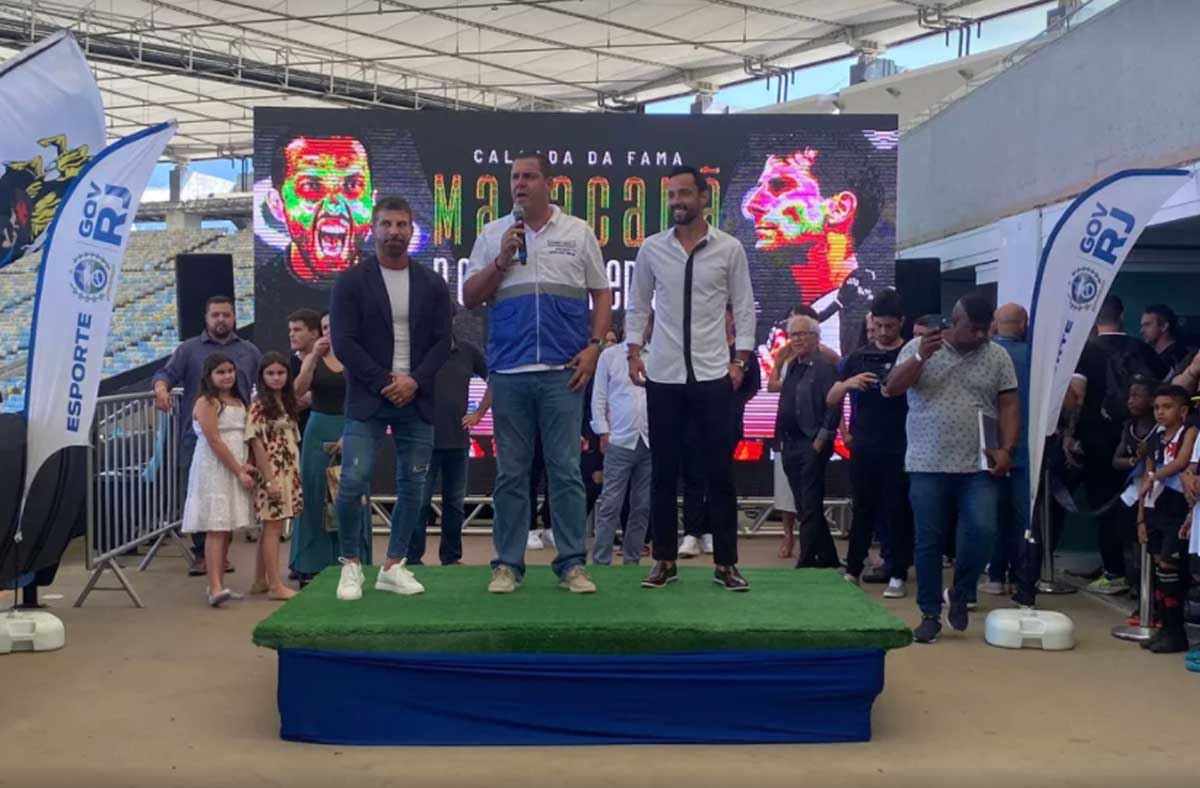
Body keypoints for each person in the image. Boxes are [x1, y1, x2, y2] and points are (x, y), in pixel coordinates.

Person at [463, 151, 612, 595]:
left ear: (549, 184)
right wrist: (500, 261)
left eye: (529, 176)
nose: (520, 184)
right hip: (509, 370)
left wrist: (594, 348)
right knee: (511, 472)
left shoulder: (578, 232)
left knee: (566, 470)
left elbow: (601, 294)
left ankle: (571, 565)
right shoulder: (494, 234)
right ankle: (507, 565)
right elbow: (470, 296)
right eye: (514, 178)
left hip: (563, 371)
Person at [627, 165, 756, 592]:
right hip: (663, 375)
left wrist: (740, 361)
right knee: (664, 471)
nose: (677, 202)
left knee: (719, 472)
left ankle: (726, 563)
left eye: (685, 194)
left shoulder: (730, 249)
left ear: (704, 198)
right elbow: (638, 304)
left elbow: (744, 305)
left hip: (713, 374)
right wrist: (632, 351)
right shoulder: (651, 249)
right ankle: (663, 559)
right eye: (671, 195)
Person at [329, 195, 452, 601]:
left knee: (414, 486)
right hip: (369, 398)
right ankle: (350, 564)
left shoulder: (432, 283)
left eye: (401, 225)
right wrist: (386, 380)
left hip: (417, 399)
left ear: (411, 231)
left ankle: (394, 565)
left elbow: (441, 342)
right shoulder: (351, 281)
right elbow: (343, 343)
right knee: (353, 482)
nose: (394, 232)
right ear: (373, 230)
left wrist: (414, 381)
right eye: (386, 224)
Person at [885, 294, 1019, 644]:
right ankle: (930, 613)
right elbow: (892, 388)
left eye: (984, 329)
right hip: (927, 462)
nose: (980, 335)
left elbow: (1009, 404)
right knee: (928, 539)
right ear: (953, 323)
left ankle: (960, 592)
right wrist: (920, 357)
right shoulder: (919, 346)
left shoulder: (997, 355)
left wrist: (1007, 448)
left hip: (979, 462)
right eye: (972, 329)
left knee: (984, 530)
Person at [1066, 295, 1168, 594]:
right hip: (1144, 438)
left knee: (1104, 503)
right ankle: (1129, 571)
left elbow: (1077, 396)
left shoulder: (1086, 352)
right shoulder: (1143, 350)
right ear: (1122, 315)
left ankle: (1114, 570)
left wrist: (1071, 436)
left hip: (1098, 439)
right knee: (1139, 507)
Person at [153, 295, 262, 575]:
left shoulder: (250, 351)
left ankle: (220, 553)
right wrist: (161, 389)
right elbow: (165, 374)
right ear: (207, 318)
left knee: (231, 497)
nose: (221, 320)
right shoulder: (188, 349)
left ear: (234, 317)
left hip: (239, 436)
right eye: (215, 315)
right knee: (203, 496)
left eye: (226, 314)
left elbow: (264, 384)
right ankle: (202, 553)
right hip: (198, 437)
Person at [826, 289, 912, 598]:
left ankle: (897, 572)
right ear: (872, 322)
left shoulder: (910, 355)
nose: (885, 332)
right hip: (864, 444)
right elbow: (831, 398)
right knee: (862, 507)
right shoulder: (857, 358)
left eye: (891, 326)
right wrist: (848, 385)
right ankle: (853, 570)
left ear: (901, 322)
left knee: (897, 509)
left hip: (902, 443)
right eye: (880, 325)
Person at [680, 303, 761, 557]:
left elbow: (752, 387)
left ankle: (712, 531)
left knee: (719, 477)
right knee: (694, 477)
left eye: (728, 320)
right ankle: (692, 533)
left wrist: (731, 398)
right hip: (695, 422)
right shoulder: (701, 349)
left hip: (728, 422)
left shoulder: (744, 353)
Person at [405, 325, 490, 566]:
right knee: (419, 503)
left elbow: (493, 378)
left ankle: (451, 558)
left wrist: (479, 413)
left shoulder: (468, 352)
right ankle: (411, 559)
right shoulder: (416, 351)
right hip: (422, 439)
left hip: (457, 440)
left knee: (454, 503)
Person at [292, 311, 366, 585]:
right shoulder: (313, 359)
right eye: (323, 328)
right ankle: (311, 564)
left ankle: (355, 560)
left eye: (333, 326)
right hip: (317, 430)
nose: (328, 332)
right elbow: (297, 392)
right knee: (314, 495)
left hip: (354, 428)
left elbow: (366, 397)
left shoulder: (358, 358)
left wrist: (352, 431)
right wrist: (310, 360)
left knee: (352, 495)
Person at [180, 353, 255, 607]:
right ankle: (214, 586)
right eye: (220, 372)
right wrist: (238, 470)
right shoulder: (207, 402)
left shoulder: (238, 400)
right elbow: (214, 440)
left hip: (235, 464)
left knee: (226, 527)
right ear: (210, 376)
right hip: (215, 467)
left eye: (230, 371)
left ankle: (219, 582)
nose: (227, 376)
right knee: (216, 526)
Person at [769, 313, 841, 569]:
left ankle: (807, 562)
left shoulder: (824, 366)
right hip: (789, 444)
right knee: (803, 505)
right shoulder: (793, 365)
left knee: (810, 506)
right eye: (793, 335)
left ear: (816, 337)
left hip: (811, 444)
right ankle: (830, 560)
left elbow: (833, 406)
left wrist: (821, 440)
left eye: (802, 334)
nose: (796, 339)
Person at [1135, 386, 1196, 653]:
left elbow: (1182, 462)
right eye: (1157, 407)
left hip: (1178, 504)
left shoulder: (1190, 433)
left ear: (1183, 411)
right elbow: (1145, 481)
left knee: (1171, 565)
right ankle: (1165, 628)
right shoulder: (1155, 438)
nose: (1160, 412)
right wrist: (1140, 518)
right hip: (1156, 506)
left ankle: (1177, 633)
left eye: (1167, 406)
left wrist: (1154, 477)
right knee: (1159, 565)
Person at [268, 133, 375, 286]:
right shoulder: (264, 289)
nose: (334, 207)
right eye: (312, 186)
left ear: (372, 202)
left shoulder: (388, 285)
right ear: (277, 203)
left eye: (352, 185)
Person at [591, 313, 652, 565]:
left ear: (651, 326)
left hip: (650, 441)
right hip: (618, 439)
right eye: (634, 322)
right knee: (610, 504)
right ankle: (601, 560)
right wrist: (603, 431)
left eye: (646, 321)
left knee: (642, 507)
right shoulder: (609, 356)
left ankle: (632, 560)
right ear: (625, 325)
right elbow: (599, 396)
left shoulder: (659, 356)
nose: (639, 327)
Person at [981, 303, 1031, 596]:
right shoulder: (1034, 358)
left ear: (995, 325)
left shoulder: (985, 357)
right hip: (1026, 450)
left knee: (991, 516)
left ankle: (995, 574)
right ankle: (1023, 581)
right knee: (1022, 519)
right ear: (1024, 324)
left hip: (988, 449)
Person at [245, 353, 302, 601]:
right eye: (270, 373)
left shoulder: (287, 403)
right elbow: (256, 443)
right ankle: (276, 585)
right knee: (273, 527)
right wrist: (269, 479)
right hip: (273, 473)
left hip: (288, 470)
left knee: (271, 525)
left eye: (280, 373)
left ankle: (260, 579)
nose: (276, 378)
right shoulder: (259, 406)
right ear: (262, 376)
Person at [1111, 377, 1158, 603]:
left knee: (1150, 545)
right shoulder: (1129, 427)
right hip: (1132, 493)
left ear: (1151, 400)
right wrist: (1133, 460)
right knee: (1129, 542)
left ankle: (1151, 594)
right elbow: (1116, 460)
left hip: (1156, 492)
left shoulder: (1161, 429)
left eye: (1137, 395)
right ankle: (1134, 585)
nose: (1131, 400)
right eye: (1129, 395)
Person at [287, 308, 322, 438]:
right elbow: (289, 402)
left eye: (297, 330)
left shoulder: (331, 363)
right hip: (297, 434)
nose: (291, 334)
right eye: (290, 330)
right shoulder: (287, 366)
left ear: (314, 333)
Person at [1140, 304, 1191, 375]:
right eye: (1142, 326)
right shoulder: (1149, 356)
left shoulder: (1179, 357)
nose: (1142, 330)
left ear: (1164, 326)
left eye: (1147, 325)